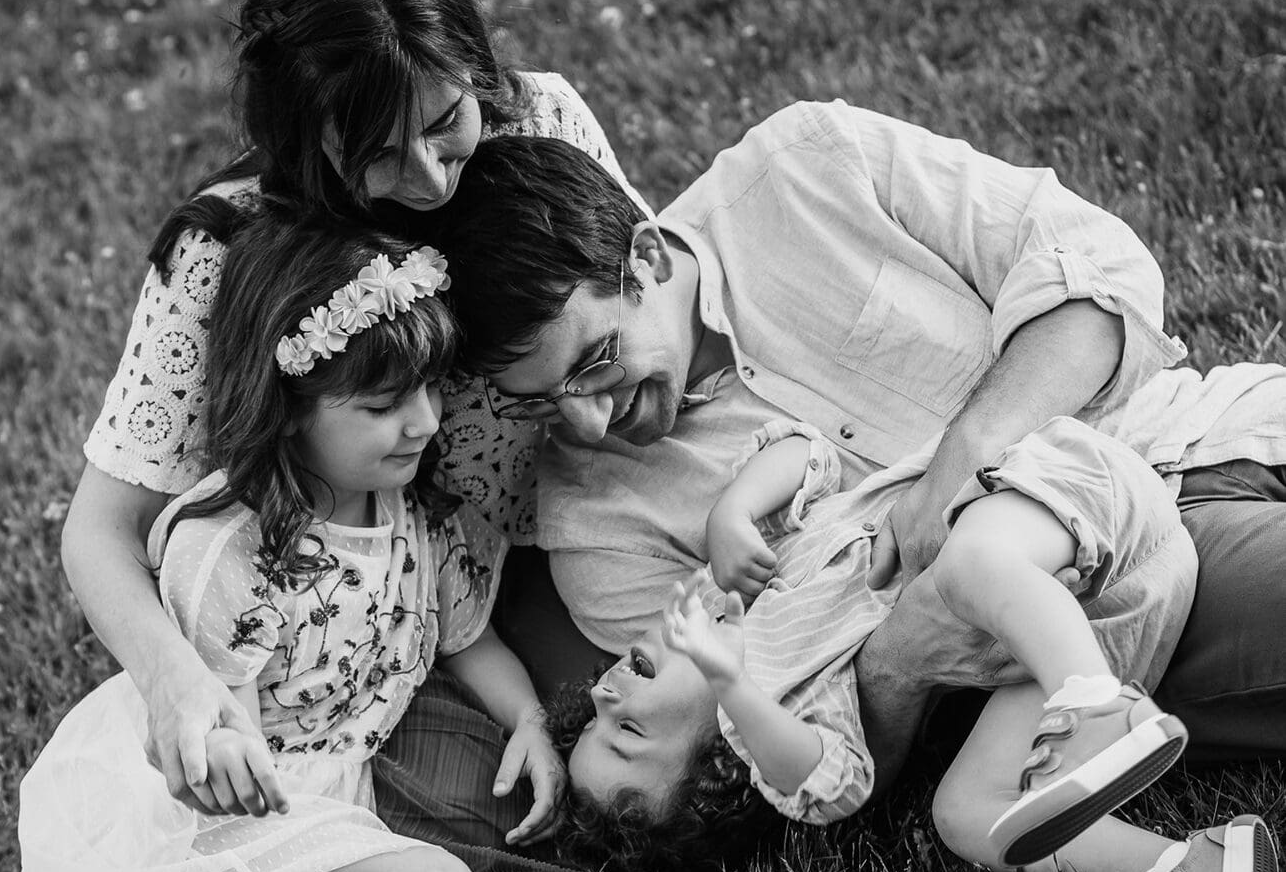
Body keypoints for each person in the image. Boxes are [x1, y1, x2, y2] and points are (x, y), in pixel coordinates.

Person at [430, 114, 1286, 799]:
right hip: (1110, 594)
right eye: (541, 400)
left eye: (594, 362)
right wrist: (901, 659)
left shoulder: (805, 167)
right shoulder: (597, 533)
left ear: (645, 258)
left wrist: (963, 456)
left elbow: (1098, 272)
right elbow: (757, 749)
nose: (585, 422)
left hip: (1198, 422)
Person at [65, 0, 644, 872]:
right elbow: (100, 531)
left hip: (586, 524)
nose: (428, 179)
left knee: (682, 737)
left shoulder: (541, 120)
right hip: (390, 613)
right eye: (375, 151)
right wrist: (176, 684)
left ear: (474, 63)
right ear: (301, 136)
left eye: (446, 122)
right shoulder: (227, 251)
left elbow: (642, 310)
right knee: (594, 807)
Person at [0, 214, 565, 872]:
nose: (423, 422)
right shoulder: (234, 549)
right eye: (382, 404)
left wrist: (528, 719)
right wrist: (231, 766)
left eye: (430, 388)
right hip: (216, 826)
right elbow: (213, 743)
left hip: (329, 808)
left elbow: (468, 640)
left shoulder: (420, 515)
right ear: (290, 409)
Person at [542, 413, 1280, 872]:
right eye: (625, 729)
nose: (603, 693)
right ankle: (1189, 868)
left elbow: (807, 451)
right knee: (965, 815)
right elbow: (822, 783)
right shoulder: (795, 704)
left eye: (594, 713)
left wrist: (732, 510)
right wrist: (734, 685)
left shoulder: (733, 575)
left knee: (963, 568)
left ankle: (1095, 706)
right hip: (1109, 612)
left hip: (1065, 497)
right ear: (722, 767)